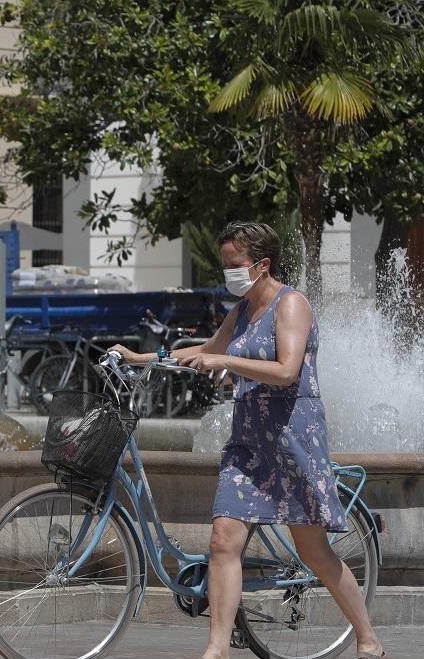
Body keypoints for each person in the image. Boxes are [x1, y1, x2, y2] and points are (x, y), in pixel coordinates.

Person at [110, 222, 384, 659]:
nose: (228, 273)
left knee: (313, 551)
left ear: (262, 265)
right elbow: (204, 349)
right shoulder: (241, 311)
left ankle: (368, 637)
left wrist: (225, 359)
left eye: (234, 265)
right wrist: (144, 357)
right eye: (225, 265)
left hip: (292, 438)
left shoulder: (290, 304)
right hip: (249, 438)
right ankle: (216, 649)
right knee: (223, 539)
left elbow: (286, 371)